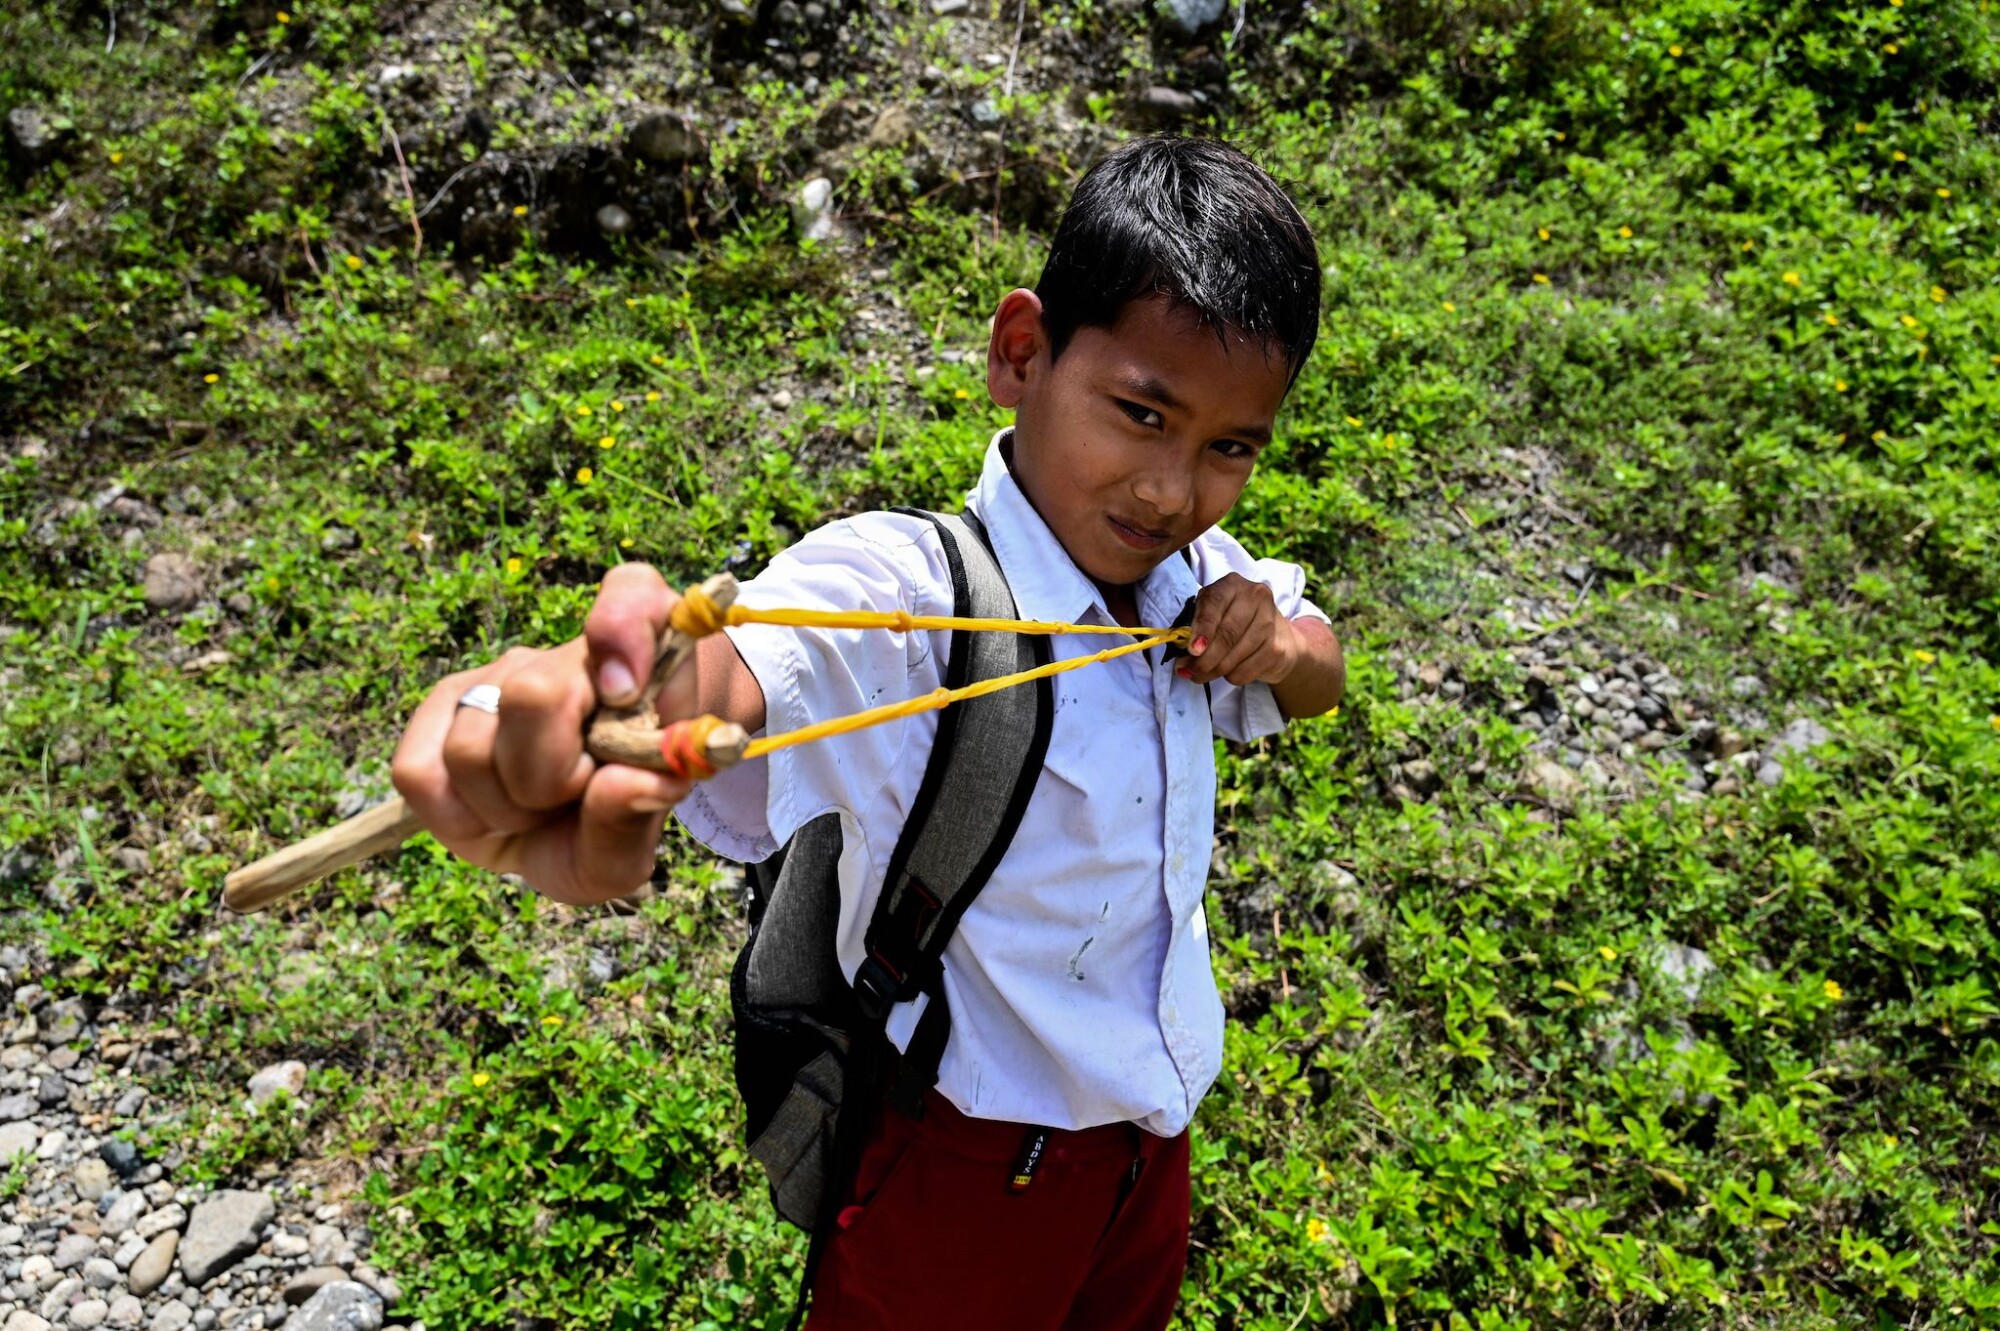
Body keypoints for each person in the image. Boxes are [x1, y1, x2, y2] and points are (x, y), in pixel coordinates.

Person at [390, 135, 1345, 1331]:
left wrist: (1276, 640)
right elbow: (745, 665)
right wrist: (584, 703)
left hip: (1149, 1149)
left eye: (1228, 447)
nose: (1170, 488)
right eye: (1139, 413)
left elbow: (1317, 670)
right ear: (1020, 353)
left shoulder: (1193, 576)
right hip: (960, 1170)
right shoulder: (908, 594)